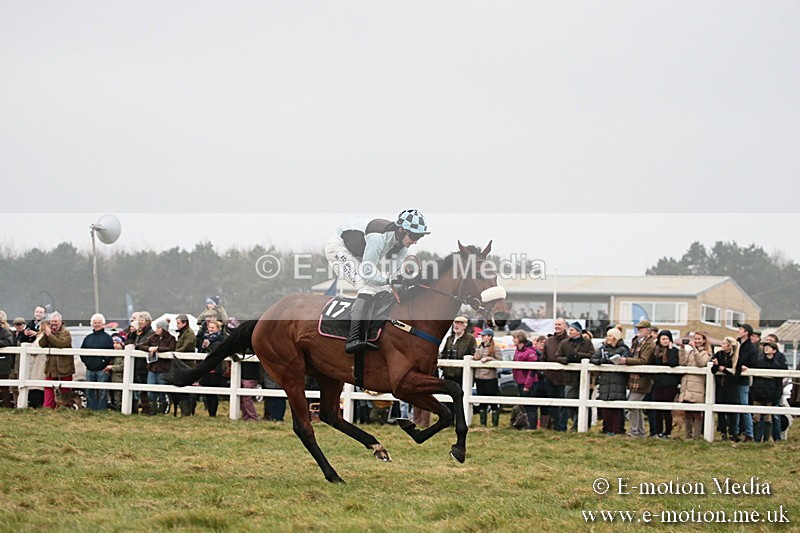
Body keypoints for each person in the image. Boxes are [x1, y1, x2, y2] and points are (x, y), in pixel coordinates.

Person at [324, 209, 429, 354]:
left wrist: (408, 279)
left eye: (420, 236)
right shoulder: (378, 238)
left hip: (359, 252)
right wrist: (389, 279)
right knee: (367, 286)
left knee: (384, 290)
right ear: (401, 230)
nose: (416, 241)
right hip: (339, 248)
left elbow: (396, 274)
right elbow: (368, 274)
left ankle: (371, 333)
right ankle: (353, 339)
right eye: (414, 236)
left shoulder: (401, 246)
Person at [618, 320, 656, 438]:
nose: (638, 330)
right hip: (634, 378)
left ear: (648, 330)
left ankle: (635, 432)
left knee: (632, 405)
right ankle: (640, 432)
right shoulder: (637, 341)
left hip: (643, 379)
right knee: (636, 406)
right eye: (638, 328)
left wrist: (626, 361)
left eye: (641, 328)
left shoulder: (650, 344)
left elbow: (644, 361)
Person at [555, 321, 595, 430]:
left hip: (583, 378)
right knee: (569, 401)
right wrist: (566, 360)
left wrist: (578, 356)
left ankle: (578, 425)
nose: (570, 332)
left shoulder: (587, 343)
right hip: (569, 377)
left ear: (578, 331)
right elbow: (557, 356)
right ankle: (575, 421)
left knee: (582, 402)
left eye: (572, 330)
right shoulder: (564, 343)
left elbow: (592, 355)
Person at [591, 326, 629, 435]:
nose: (607, 338)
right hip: (605, 380)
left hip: (618, 380)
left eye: (610, 336)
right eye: (607, 335)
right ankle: (606, 428)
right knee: (605, 404)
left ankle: (617, 429)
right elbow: (593, 358)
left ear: (616, 337)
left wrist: (612, 362)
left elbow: (624, 361)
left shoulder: (623, 349)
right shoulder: (602, 348)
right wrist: (599, 361)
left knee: (616, 406)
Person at [750, 341, 788, 442]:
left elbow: (779, 381)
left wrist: (777, 394)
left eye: (768, 347)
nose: (766, 348)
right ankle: (756, 439)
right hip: (758, 392)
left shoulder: (777, 364)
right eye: (765, 346)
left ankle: (766, 439)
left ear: (774, 350)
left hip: (771, 393)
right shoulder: (758, 362)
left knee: (768, 417)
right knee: (756, 416)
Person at [677, 331, 712, 440]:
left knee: (696, 412)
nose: (696, 341)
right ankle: (688, 435)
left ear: (704, 340)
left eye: (699, 339)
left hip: (697, 386)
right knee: (687, 411)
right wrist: (682, 349)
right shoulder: (691, 352)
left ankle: (696, 436)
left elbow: (701, 363)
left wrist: (695, 350)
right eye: (695, 339)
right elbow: (683, 362)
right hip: (687, 385)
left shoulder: (707, 353)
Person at [439, 316, 476, 414]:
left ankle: (460, 418)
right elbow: (444, 353)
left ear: (465, 326)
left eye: (459, 323)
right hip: (448, 373)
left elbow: (473, 353)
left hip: (462, 375)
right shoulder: (449, 338)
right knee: (448, 398)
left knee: (460, 398)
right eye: (455, 323)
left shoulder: (470, 339)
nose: (456, 325)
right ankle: (449, 419)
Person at [538, 318, 569, 431]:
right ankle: (556, 425)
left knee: (564, 404)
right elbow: (543, 358)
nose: (557, 326)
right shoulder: (549, 341)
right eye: (556, 324)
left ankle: (562, 426)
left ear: (564, 326)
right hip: (550, 377)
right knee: (552, 403)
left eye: (559, 324)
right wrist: (544, 372)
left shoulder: (569, 341)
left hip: (564, 378)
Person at [79, 313, 114, 411]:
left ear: (103, 324)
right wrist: (87, 362)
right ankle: (91, 409)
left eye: (99, 322)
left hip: (102, 369)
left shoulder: (107, 338)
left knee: (102, 391)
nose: (97, 324)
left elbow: (111, 353)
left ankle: (102, 409)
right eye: (95, 323)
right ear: (92, 324)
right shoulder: (88, 338)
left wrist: (104, 362)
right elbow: (82, 352)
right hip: (90, 369)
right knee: (89, 390)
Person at [39, 311, 73, 409]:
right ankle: (48, 408)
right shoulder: (49, 333)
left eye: (56, 321)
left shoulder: (66, 333)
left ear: (61, 322)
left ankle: (64, 409)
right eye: (52, 321)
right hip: (51, 366)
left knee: (65, 390)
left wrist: (50, 336)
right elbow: (42, 344)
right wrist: (46, 334)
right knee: (48, 387)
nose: (54, 323)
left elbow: (61, 344)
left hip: (65, 366)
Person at [143, 320, 177, 415]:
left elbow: (171, 348)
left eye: (158, 327)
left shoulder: (171, 339)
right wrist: (149, 349)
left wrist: (157, 349)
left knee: (162, 391)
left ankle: (163, 409)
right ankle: (153, 410)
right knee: (150, 390)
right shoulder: (153, 338)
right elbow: (142, 345)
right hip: (152, 367)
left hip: (163, 368)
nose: (156, 329)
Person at [651, 330, 680, 438]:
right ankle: (658, 431)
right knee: (658, 409)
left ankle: (667, 432)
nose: (665, 341)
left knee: (667, 409)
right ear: (659, 339)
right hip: (658, 383)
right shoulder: (655, 351)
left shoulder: (674, 350)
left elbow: (673, 363)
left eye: (667, 339)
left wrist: (671, 350)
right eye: (663, 339)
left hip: (670, 384)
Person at [711, 336, 740, 441]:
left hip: (731, 387)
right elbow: (713, 370)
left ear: (729, 346)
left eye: (723, 343)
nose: (721, 345)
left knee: (732, 411)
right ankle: (723, 432)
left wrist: (724, 370)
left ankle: (733, 432)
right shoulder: (719, 354)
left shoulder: (736, 357)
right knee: (721, 410)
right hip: (721, 386)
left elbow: (736, 374)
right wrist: (716, 365)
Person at [126, 311, 155, 414]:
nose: (140, 322)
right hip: (137, 364)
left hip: (145, 364)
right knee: (136, 387)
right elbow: (130, 341)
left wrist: (136, 346)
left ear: (147, 321)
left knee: (144, 388)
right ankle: (135, 409)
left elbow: (145, 343)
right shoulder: (138, 332)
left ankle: (147, 409)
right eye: (140, 320)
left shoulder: (151, 333)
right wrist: (132, 333)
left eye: (142, 320)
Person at [733, 323, 758, 442]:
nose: (739, 330)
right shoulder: (735, 344)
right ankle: (735, 431)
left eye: (741, 329)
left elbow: (753, 363)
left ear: (746, 332)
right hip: (733, 378)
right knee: (736, 406)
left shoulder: (751, 348)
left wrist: (746, 367)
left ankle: (749, 433)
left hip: (742, 380)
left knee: (743, 405)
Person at [511, 331, 540, 430]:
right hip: (519, 381)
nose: (513, 340)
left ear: (520, 339)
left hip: (529, 383)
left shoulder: (530, 352)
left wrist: (527, 385)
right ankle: (525, 425)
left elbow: (532, 370)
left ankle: (532, 427)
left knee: (531, 406)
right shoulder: (518, 350)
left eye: (515, 338)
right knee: (524, 406)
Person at [473, 328, 501, 427]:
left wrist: (488, 359)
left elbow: (499, 361)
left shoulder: (496, 348)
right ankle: (483, 423)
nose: (482, 337)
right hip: (479, 377)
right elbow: (476, 357)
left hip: (490, 378)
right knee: (482, 401)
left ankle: (494, 423)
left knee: (493, 401)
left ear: (490, 337)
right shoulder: (479, 347)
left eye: (484, 335)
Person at [198, 319, 225, 417]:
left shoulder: (220, 339)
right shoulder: (204, 338)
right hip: (205, 368)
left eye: (213, 328)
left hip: (215, 369)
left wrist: (209, 346)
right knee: (206, 391)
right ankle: (208, 410)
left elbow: (217, 350)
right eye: (209, 327)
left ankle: (213, 413)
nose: (210, 329)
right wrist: (203, 347)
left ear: (217, 329)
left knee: (213, 392)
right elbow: (200, 351)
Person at [172, 314, 197, 416]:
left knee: (187, 389)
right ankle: (184, 410)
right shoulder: (182, 333)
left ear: (184, 323)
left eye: (178, 323)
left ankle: (188, 410)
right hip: (182, 364)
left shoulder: (189, 333)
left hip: (187, 364)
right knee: (181, 388)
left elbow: (186, 346)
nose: (177, 325)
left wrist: (175, 352)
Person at [105, 336, 125, 410]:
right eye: (114, 343)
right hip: (113, 377)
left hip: (119, 378)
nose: (115, 345)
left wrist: (111, 367)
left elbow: (122, 367)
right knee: (113, 394)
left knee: (118, 396)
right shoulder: (113, 355)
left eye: (117, 343)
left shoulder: (123, 355)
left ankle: (119, 409)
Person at [0, 312, 15, 408]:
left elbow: (8, 341)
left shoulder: (5, 331)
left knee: (4, 386)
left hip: (3, 363)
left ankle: (6, 405)